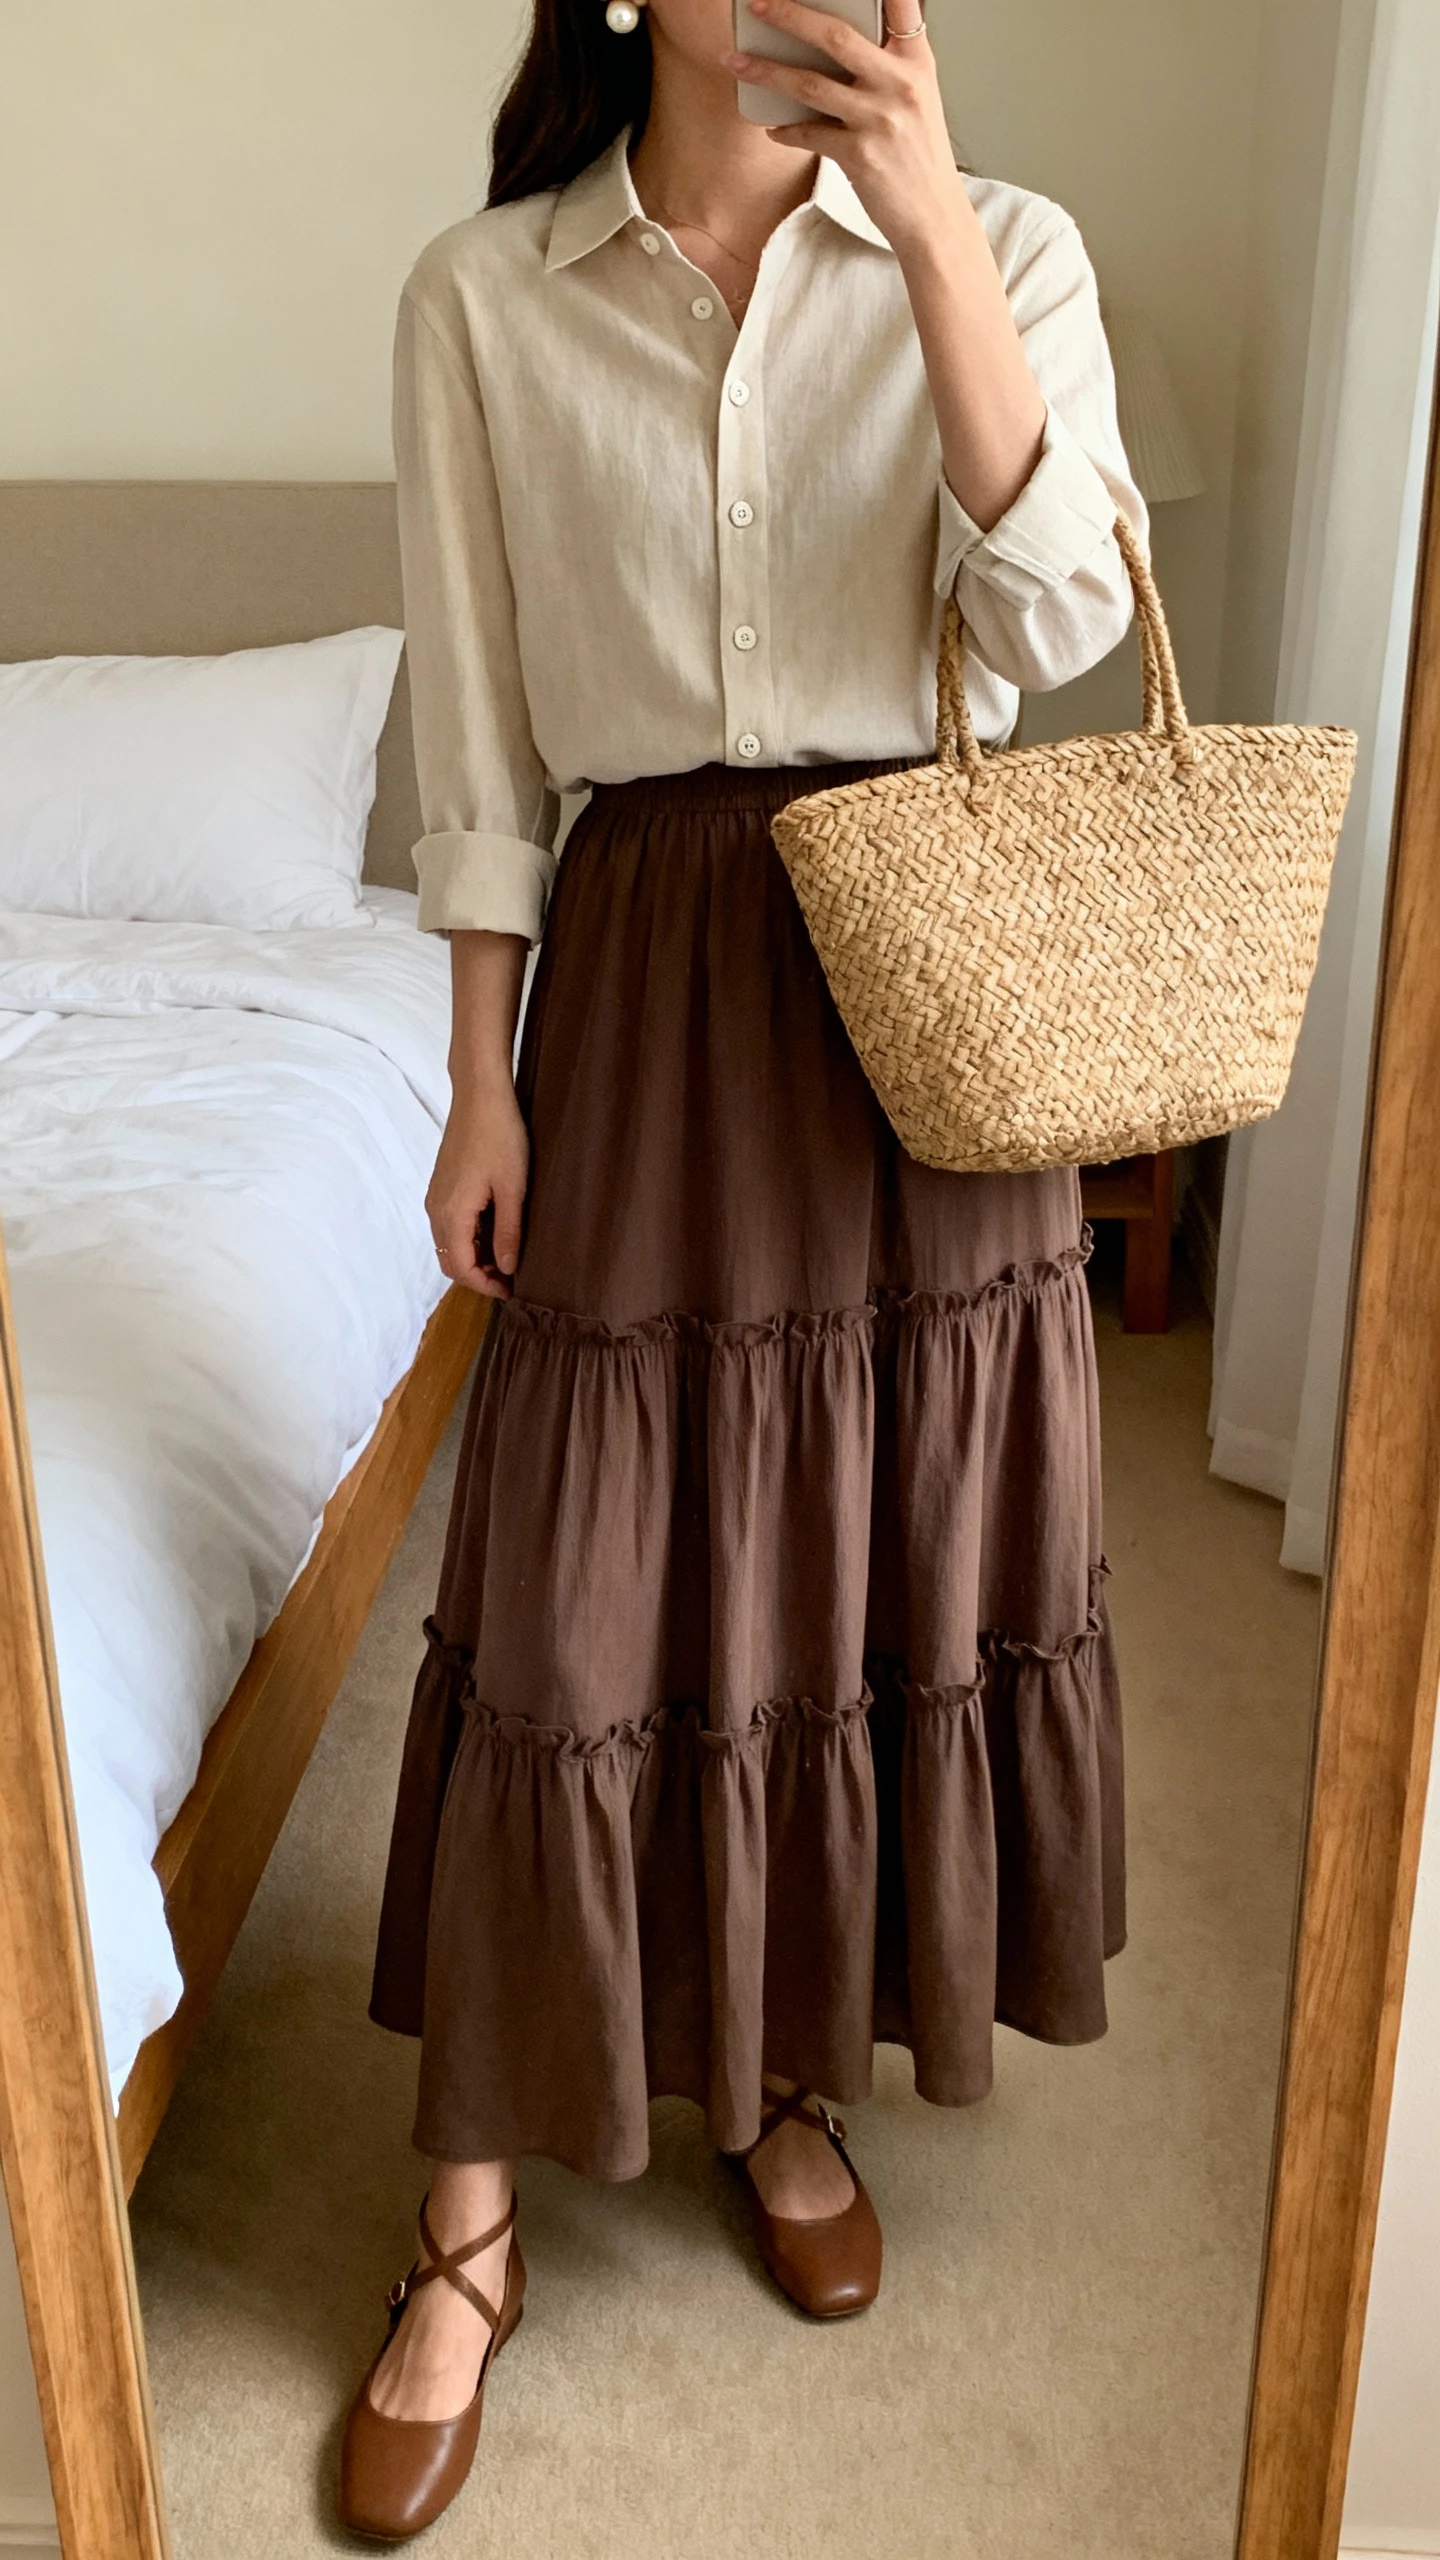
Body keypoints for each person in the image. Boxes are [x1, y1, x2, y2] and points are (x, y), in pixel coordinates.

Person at [340, 0, 1142, 2534]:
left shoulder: (1005, 246)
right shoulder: (486, 297)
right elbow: (481, 749)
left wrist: (921, 223)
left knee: (860, 1575)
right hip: (660, 972)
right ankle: (464, 2229)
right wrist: (481, 1074)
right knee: (571, 1605)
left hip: (919, 981)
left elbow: (1065, 625)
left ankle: (787, 2079)